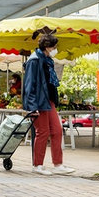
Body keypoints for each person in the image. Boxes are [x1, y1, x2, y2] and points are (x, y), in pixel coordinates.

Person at [23, 31, 75, 175]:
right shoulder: (34, 61)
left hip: (48, 100)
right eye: (54, 47)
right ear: (47, 47)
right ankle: (37, 165)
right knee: (43, 132)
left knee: (57, 131)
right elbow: (29, 85)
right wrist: (32, 107)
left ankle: (58, 164)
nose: (55, 49)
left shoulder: (48, 60)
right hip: (38, 102)